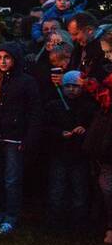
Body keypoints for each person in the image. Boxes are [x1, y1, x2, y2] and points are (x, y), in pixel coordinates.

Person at [0, 42, 41, 235]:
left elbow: (34, 112)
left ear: (15, 59)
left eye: (6, 57)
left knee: (11, 180)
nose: (2, 61)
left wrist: (29, 137)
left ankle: (11, 217)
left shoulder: (26, 82)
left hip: (14, 137)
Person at [43, 70, 96, 232]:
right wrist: (59, 133)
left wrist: (85, 129)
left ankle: (78, 224)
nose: (72, 89)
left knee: (79, 190)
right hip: (59, 153)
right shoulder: (54, 105)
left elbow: (94, 127)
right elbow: (46, 127)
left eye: (76, 86)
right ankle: (56, 223)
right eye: (68, 86)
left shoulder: (89, 107)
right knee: (57, 190)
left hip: (79, 155)